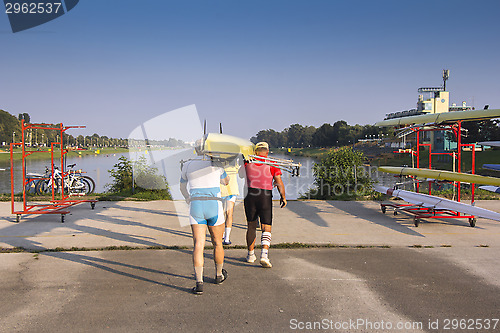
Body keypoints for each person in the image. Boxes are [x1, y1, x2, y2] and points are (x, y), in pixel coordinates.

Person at [180, 151, 230, 294]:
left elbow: (182, 187)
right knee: (218, 243)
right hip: (214, 205)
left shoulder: (187, 165)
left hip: (196, 205)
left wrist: (188, 198)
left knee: (198, 244)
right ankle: (219, 275)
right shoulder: (216, 164)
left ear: (196, 150)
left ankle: (199, 283)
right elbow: (226, 182)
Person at [243, 142, 287, 268]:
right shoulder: (272, 164)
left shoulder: (247, 163)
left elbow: (241, 175)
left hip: (250, 195)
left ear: (255, 151)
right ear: (267, 152)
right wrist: (283, 197)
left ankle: (251, 255)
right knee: (266, 226)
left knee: (251, 226)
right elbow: (279, 182)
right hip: (265, 196)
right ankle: (264, 255)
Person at [220, 156, 241, 245]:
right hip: (232, 190)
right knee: (229, 213)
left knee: (220, 214)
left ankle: (221, 234)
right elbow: (239, 172)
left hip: (220, 191)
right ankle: (227, 238)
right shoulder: (234, 164)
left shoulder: (218, 165)